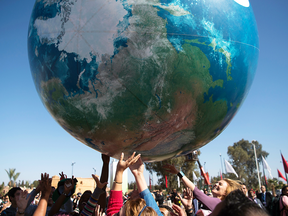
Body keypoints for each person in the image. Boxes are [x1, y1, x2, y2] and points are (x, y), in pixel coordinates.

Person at [163, 164, 241, 212]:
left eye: (220, 184)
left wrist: (178, 173)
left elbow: (196, 192)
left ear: (226, 192)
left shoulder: (218, 202)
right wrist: (189, 209)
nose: (216, 184)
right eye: (217, 182)